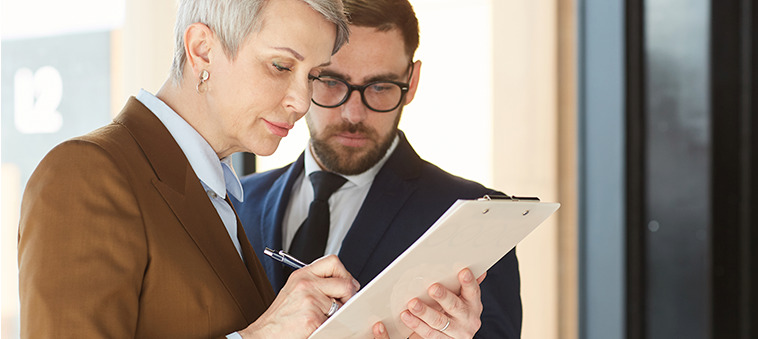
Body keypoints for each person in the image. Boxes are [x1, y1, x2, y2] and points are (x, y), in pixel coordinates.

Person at [17, 0, 359, 338]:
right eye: (280, 66)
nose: (302, 101)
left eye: (313, 76)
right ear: (202, 50)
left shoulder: (213, 190)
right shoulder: (85, 174)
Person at [233, 0, 523, 337]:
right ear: (304, 75)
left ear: (412, 82)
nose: (354, 115)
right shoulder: (234, 201)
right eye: (332, 82)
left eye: (381, 87)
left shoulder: (477, 222)